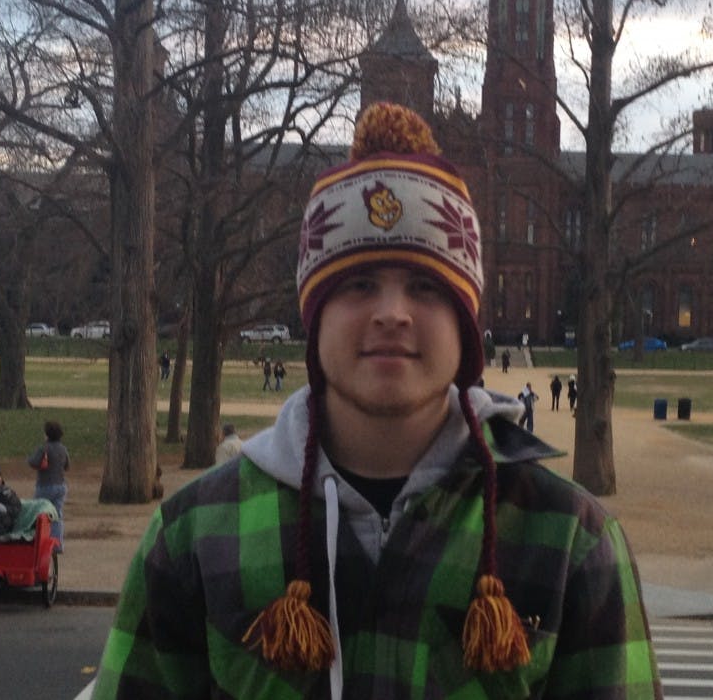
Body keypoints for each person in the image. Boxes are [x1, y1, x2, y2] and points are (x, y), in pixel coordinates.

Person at [94, 103, 660, 698]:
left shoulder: (571, 542)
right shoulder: (195, 535)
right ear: (315, 318)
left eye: (425, 287)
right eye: (359, 284)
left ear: (465, 325)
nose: (392, 313)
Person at [28, 420, 70, 551]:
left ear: (47, 434)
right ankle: (57, 545)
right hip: (61, 485)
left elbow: (34, 462)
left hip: (45, 486)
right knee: (57, 515)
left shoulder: (44, 448)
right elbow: (67, 466)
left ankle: (35, 542)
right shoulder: (63, 449)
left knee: (37, 513)